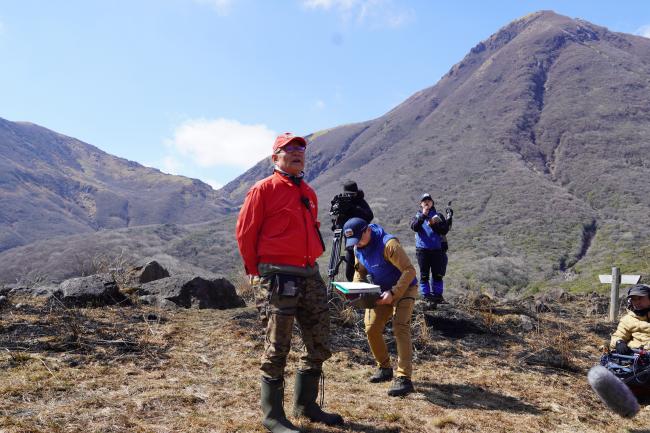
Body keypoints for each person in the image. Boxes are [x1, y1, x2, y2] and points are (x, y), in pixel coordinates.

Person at [236, 132, 343, 433]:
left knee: (319, 341)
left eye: (300, 149)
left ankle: (306, 405)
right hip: (277, 278)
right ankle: (272, 416)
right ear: (275, 157)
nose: (297, 153)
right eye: (289, 149)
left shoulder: (308, 193)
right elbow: (245, 233)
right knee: (277, 346)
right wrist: (254, 273)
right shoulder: (263, 189)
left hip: (309, 274)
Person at [343, 217, 418, 397]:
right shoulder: (356, 247)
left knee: (400, 327)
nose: (357, 244)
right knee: (371, 328)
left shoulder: (388, 244)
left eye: (359, 239)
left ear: (367, 230)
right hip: (381, 291)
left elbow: (409, 271)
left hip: (404, 287)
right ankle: (384, 368)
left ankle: (404, 378)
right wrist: (356, 289)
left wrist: (393, 293)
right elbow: (360, 271)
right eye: (354, 242)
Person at [329, 180, 374, 281]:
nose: (349, 197)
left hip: (362, 244)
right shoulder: (342, 201)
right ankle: (353, 295)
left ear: (356, 193)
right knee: (350, 275)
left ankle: (367, 293)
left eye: (351, 194)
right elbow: (336, 219)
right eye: (347, 194)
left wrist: (353, 209)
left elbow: (369, 216)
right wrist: (336, 223)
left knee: (364, 273)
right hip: (350, 245)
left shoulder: (360, 201)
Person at [410, 193, 449, 305]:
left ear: (432, 203)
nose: (427, 202)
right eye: (424, 201)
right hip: (422, 251)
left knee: (437, 274)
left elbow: (444, 230)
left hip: (437, 250)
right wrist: (423, 216)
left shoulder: (438, 216)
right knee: (424, 275)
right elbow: (414, 227)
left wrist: (433, 224)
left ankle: (437, 296)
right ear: (421, 204)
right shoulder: (416, 216)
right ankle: (426, 296)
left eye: (429, 200)